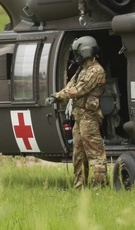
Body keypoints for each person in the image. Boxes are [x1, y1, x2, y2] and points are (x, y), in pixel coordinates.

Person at [45, 36, 107, 188]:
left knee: (95, 155)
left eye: (77, 52)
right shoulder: (82, 70)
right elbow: (69, 87)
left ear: (84, 51)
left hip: (90, 118)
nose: (76, 56)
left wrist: (59, 96)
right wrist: (56, 96)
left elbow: (78, 90)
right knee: (78, 155)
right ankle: (79, 186)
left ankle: (100, 188)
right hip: (79, 118)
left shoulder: (96, 71)